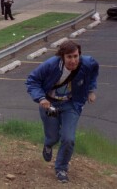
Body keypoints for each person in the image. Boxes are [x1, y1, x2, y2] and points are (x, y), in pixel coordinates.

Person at [25, 40, 99, 184]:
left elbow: (93, 72)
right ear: (62, 57)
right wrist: (41, 98)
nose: (73, 60)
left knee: (68, 138)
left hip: (71, 104)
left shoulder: (87, 63)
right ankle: (48, 144)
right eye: (69, 57)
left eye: (76, 56)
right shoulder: (50, 65)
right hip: (50, 105)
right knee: (53, 136)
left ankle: (61, 168)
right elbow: (32, 81)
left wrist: (91, 89)